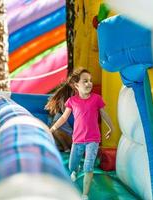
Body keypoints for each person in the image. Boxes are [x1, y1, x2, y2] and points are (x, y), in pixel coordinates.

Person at [49, 68, 114, 200]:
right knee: (72, 165)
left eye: (90, 81)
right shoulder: (72, 101)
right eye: (85, 81)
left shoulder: (96, 99)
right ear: (76, 85)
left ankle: (84, 194)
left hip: (93, 139)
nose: (89, 83)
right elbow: (63, 118)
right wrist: (53, 128)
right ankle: (75, 168)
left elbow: (104, 114)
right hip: (78, 140)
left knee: (88, 166)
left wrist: (111, 128)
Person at [45, 83, 74, 152]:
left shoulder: (62, 114)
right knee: (52, 129)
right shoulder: (53, 116)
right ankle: (62, 148)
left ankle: (66, 148)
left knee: (54, 128)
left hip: (72, 139)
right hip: (65, 139)